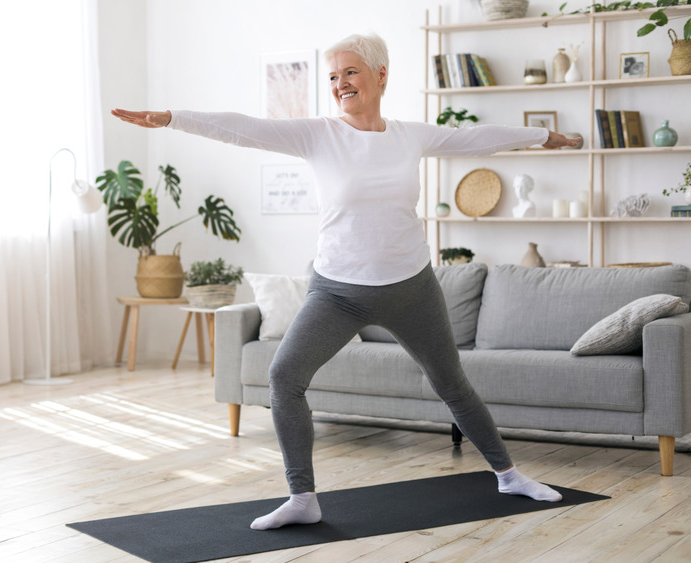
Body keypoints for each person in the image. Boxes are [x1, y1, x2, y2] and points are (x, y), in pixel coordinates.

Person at [112, 33, 580, 532]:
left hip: (412, 288)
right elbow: (243, 130)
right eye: (333, 77)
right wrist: (170, 118)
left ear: (380, 75)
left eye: (350, 72)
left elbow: (478, 137)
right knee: (284, 378)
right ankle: (302, 497)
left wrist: (545, 137)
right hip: (338, 292)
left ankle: (508, 475)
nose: (340, 84)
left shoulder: (410, 135)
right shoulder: (318, 134)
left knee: (452, 386)